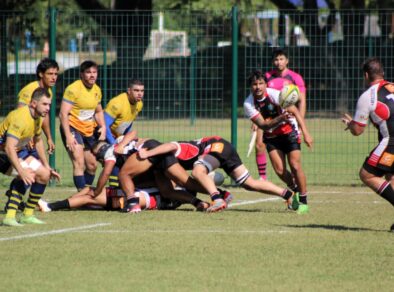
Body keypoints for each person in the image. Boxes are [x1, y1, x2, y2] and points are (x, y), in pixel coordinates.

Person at [138, 136, 298, 213]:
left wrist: (147, 153)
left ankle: (218, 199)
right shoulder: (166, 164)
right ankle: (288, 195)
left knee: (197, 170)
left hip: (218, 146)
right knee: (249, 183)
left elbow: (169, 145)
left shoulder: (176, 147)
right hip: (224, 149)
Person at [244, 70, 313, 214]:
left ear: (265, 84)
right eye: (254, 84)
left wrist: (305, 132)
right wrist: (280, 118)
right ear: (250, 87)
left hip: (290, 132)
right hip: (271, 136)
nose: (258, 87)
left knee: (294, 165)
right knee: (280, 171)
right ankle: (295, 190)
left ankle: (304, 202)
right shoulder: (248, 104)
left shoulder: (276, 94)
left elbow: (294, 110)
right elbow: (263, 125)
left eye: (261, 83)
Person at [92, 132, 210, 213]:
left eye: (98, 157)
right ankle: (215, 195)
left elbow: (106, 173)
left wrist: (96, 192)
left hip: (150, 150)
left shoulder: (110, 152)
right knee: (176, 187)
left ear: (102, 152)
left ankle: (133, 204)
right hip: (159, 152)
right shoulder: (118, 147)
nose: (99, 161)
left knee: (123, 175)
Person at [342, 57, 394, 232]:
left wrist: (351, 124)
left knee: (367, 174)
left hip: (391, 141)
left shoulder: (368, 96)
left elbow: (358, 131)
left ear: (366, 75)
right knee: (391, 176)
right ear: (382, 73)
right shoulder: (392, 86)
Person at [4, 58, 59, 210]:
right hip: (19, 140)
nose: (54, 77)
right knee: (28, 171)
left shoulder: (47, 92)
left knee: (40, 171)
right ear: (41, 74)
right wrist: (26, 137)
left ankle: (19, 202)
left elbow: (43, 117)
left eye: (56, 74)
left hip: (31, 137)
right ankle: (15, 202)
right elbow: (20, 112)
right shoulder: (29, 90)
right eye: (50, 74)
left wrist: (48, 137)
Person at [0, 88, 60, 226]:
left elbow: (38, 141)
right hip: (3, 154)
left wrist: (47, 166)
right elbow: (9, 148)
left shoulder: (38, 117)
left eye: (49, 104)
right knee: (28, 173)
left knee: (44, 174)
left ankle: (27, 215)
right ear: (33, 103)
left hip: (16, 152)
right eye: (45, 104)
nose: (48, 108)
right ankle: (9, 217)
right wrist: (21, 171)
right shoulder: (20, 118)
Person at [252, 49, 307, 180]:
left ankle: (296, 183)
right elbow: (258, 98)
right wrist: (255, 121)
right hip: (267, 117)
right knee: (259, 145)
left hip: (288, 119)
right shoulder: (267, 77)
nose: (278, 62)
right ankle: (263, 178)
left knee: (292, 161)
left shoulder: (295, 78)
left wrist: (301, 123)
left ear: (287, 61)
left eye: (281, 59)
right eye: (276, 59)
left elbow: (302, 101)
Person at [59, 60, 106, 191]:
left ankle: (85, 192)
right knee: (79, 162)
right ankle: (82, 195)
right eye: (88, 72)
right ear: (81, 74)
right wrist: (68, 135)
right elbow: (63, 114)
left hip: (88, 130)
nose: (92, 75)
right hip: (72, 127)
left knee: (92, 165)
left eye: (94, 72)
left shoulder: (97, 90)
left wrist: (103, 126)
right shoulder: (73, 89)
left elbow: (98, 111)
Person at [104, 79, 144, 188]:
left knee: (127, 156)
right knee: (112, 160)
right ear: (129, 91)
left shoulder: (139, 104)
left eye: (142, 90)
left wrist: (126, 139)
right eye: (136, 90)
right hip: (101, 135)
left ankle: (118, 189)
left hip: (116, 137)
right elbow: (104, 125)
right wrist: (114, 144)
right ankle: (112, 190)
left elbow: (128, 122)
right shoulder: (117, 103)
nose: (140, 93)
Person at [38, 186, 183, 213]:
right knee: (90, 190)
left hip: (135, 198)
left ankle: (51, 207)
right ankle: (62, 204)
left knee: (90, 198)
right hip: (134, 193)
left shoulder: (172, 196)